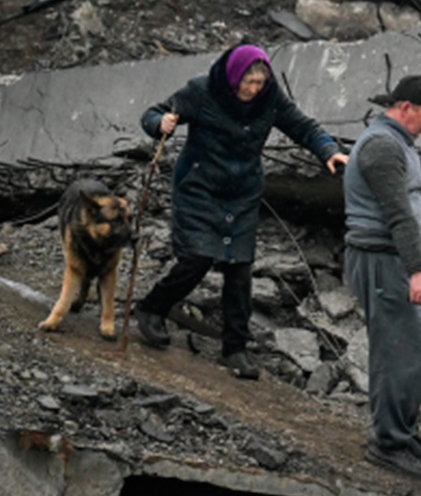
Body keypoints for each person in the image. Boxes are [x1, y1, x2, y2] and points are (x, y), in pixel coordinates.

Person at [133, 43, 348, 380]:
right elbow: (151, 114)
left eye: (258, 83)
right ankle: (152, 308)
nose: (252, 90)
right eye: (247, 83)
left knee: (240, 267)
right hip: (199, 185)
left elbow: (303, 126)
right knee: (197, 258)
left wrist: (328, 151)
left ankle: (235, 348)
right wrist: (160, 123)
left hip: (242, 193)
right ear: (233, 77)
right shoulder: (202, 90)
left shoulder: (270, 98)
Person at [344, 75, 421, 480]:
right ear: (405, 108)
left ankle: (402, 426)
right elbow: (398, 216)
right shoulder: (380, 147)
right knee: (399, 354)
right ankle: (388, 443)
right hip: (381, 261)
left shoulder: (403, 145)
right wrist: (418, 271)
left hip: (400, 261)